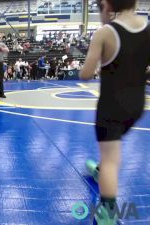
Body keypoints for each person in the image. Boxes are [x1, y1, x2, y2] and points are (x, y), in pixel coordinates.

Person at [79, 0, 150, 224]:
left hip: (112, 106)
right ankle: (102, 169)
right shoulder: (148, 28)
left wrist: (103, 29)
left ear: (107, 5)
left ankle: (108, 213)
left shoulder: (105, 33)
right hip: (137, 105)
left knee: (111, 160)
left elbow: (86, 74)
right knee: (114, 144)